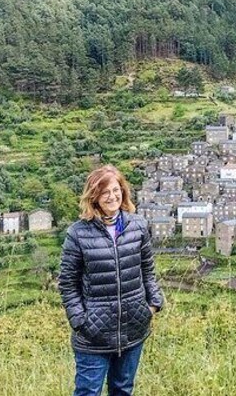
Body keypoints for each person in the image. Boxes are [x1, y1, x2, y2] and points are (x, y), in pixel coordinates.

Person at [59, 165, 164, 396]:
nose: (112, 196)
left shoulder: (137, 226)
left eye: (116, 190)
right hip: (93, 335)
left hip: (133, 328)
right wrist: (80, 321)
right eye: (105, 192)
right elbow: (67, 283)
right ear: (94, 196)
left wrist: (153, 304)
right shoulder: (77, 234)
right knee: (88, 392)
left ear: (123, 192)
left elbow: (147, 269)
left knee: (123, 390)